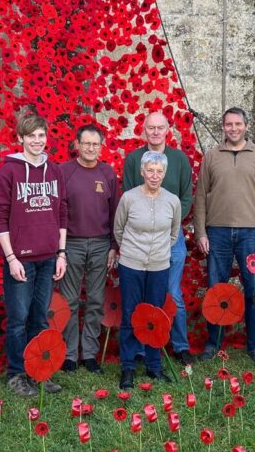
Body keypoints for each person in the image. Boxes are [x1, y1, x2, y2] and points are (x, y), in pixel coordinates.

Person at [0, 113, 67, 398]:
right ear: (20, 139)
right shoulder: (7, 172)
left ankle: (38, 371)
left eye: (41, 135)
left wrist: (61, 253)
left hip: (48, 257)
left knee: (39, 318)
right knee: (18, 318)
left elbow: (61, 212)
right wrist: (11, 258)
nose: (37, 141)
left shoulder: (55, 171)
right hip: (20, 258)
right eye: (31, 136)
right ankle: (16, 374)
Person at [194, 107, 255, 363]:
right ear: (223, 127)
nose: (233, 128)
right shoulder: (211, 156)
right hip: (217, 232)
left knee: (254, 290)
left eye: (238, 124)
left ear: (246, 126)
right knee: (216, 290)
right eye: (228, 124)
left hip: (251, 233)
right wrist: (201, 232)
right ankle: (213, 342)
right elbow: (200, 197)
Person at [122, 111, 195, 364]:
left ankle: (180, 345)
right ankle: (142, 348)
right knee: (143, 296)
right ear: (144, 130)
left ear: (168, 129)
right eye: (150, 128)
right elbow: (128, 197)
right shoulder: (133, 159)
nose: (155, 132)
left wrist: (170, 226)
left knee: (172, 293)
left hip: (171, 237)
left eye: (160, 127)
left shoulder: (180, 160)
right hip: (140, 240)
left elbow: (186, 197)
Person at [114, 151, 182, 389]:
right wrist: (134, 251)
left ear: (165, 174)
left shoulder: (172, 201)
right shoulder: (129, 198)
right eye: (150, 170)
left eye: (159, 171)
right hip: (131, 264)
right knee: (131, 313)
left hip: (159, 266)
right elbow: (119, 230)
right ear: (142, 171)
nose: (155, 176)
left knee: (156, 316)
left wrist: (157, 252)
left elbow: (174, 234)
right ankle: (128, 367)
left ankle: (154, 366)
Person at [58, 124, 120, 374]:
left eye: (95, 144)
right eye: (86, 143)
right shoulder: (64, 172)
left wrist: (114, 246)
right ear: (76, 145)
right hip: (71, 243)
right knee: (69, 300)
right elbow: (57, 209)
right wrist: (59, 248)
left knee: (95, 300)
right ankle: (70, 355)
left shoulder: (107, 174)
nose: (91, 148)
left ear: (101, 146)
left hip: (100, 244)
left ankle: (90, 354)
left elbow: (116, 211)